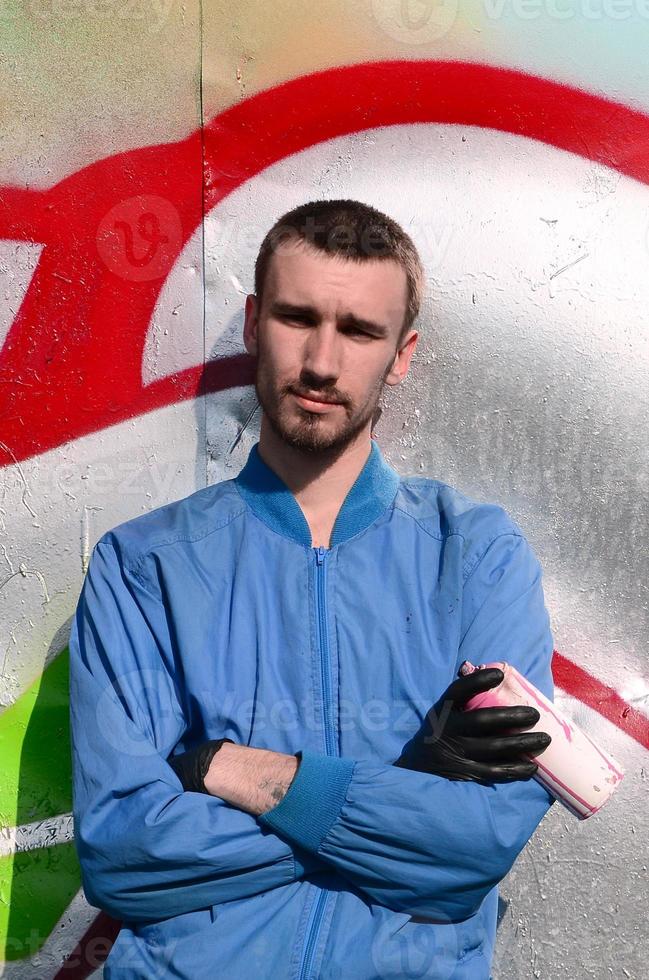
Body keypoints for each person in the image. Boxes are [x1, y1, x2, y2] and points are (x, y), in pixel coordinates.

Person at [69, 199, 555, 979]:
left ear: (401, 353)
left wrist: (241, 772)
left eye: (359, 331)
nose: (322, 363)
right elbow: (125, 852)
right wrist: (403, 791)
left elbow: (476, 846)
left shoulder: (476, 556)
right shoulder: (144, 567)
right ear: (255, 324)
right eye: (299, 318)